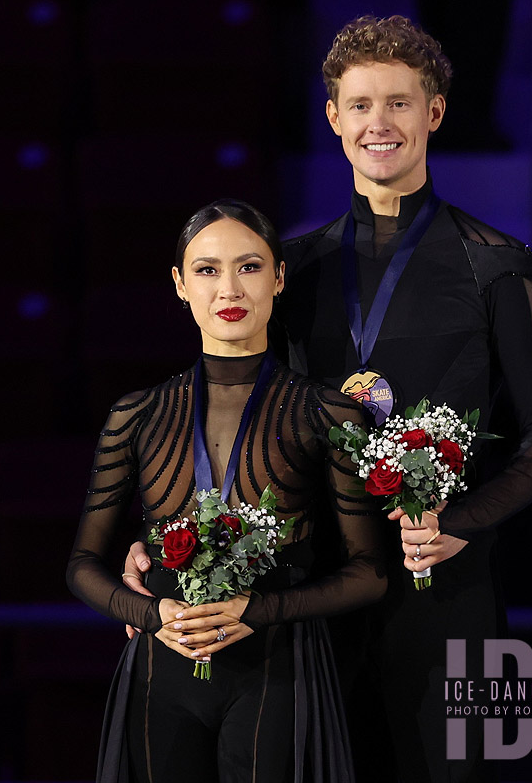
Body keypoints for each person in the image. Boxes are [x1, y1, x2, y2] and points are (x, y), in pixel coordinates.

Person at [124, 16, 532, 783]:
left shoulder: (497, 267)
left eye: (400, 103)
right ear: (333, 118)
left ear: (434, 113)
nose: (380, 123)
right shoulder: (292, 268)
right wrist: (168, 537)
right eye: (360, 105)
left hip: (445, 597)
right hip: (311, 597)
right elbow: (231, 412)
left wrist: (459, 525)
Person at [67, 199, 387, 783]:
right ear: (180, 284)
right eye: (207, 270)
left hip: (279, 665)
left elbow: (370, 571)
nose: (229, 289)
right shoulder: (136, 415)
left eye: (250, 266)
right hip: (159, 668)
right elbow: (83, 566)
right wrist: (152, 612)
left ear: (279, 277)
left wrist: (257, 611)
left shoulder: (327, 413)